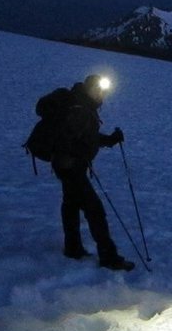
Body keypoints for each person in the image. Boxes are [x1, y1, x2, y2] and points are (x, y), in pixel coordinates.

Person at [49, 74, 134, 271]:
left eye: (103, 90)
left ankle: (73, 248)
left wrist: (110, 140)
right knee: (94, 209)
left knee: (70, 205)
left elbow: (88, 137)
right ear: (88, 89)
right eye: (98, 89)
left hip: (67, 166)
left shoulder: (82, 107)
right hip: (72, 167)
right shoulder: (80, 110)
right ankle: (108, 257)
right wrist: (72, 157)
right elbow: (66, 137)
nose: (101, 94)